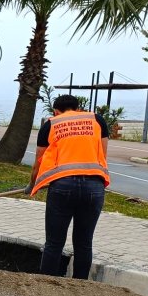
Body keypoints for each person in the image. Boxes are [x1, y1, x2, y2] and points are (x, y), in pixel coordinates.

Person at [28, 94, 110, 279]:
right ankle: (80, 287)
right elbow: (102, 153)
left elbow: (39, 161)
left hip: (62, 187)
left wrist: (32, 184)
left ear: (56, 111)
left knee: (54, 243)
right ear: (78, 108)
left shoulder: (51, 124)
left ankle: (46, 285)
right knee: (83, 243)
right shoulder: (96, 120)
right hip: (94, 187)